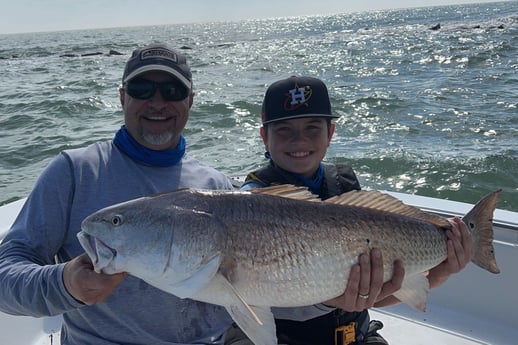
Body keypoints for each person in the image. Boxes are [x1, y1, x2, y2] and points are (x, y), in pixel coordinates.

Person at [0, 43, 238, 345]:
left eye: (172, 91)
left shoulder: (217, 186)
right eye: (142, 88)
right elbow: (5, 276)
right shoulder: (75, 172)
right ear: (122, 96)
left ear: (190, 101)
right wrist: (66, 284)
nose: (157, 102)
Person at [240, 76, 474, 345]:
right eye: (284, 130)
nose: (299, 141)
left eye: (312, 128)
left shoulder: (343, 184)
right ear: (263, 137)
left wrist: (441, 272)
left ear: (330, 134)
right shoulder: (251, 203)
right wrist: (332, 301)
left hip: (357, 337)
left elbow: (372, 295)